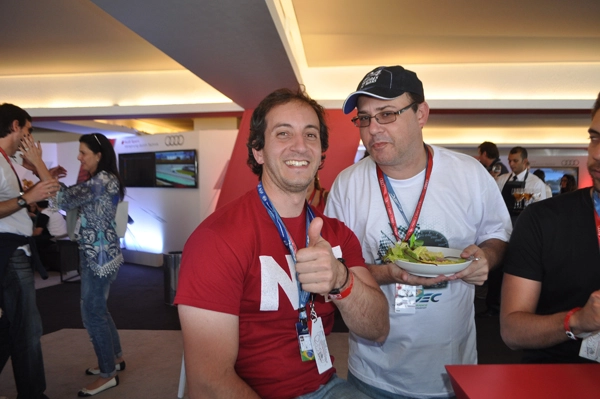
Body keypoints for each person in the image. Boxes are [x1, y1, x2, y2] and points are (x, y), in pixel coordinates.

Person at [175, 87, 389, 399]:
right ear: (258, 151)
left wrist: (341, 280)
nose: (300, 146)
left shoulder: (336, 234)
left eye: (311, 135)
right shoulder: (216, 239)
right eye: (284, 134)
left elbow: (378, 328)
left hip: (326, 387)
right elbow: (208, 383)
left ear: (321, 153)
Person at [325, 66, 512, 399]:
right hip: (372, 372)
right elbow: (335, 271)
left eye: (386, 114)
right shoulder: (348, 184)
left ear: (421, 114)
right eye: (364, 118)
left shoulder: (467, 174)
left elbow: (497, 236)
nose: (373, 130)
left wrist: (487, 257)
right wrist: (387, 272)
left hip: (452, 371)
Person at [500, 92, 600, 363]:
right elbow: (512, 331)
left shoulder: (536, 187)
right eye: (595, 138)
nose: (596, 154)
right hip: (556, 378)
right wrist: (577, 321)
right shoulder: (543, 220)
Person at [56, 133, 126, 397]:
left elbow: (63, 200)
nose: (79, 157)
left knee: (92, 313)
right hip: (99, 254)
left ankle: (108, 374)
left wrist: (38, 166)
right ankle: (115, 358)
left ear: (98, 155)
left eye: (83, 152)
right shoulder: (102, 180)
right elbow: (65, 198)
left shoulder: (102, 180)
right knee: (99, 309)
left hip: (98, 257)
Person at [0, 103, 60, 399]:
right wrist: (27, 197)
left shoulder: (7, 160)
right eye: (28, 130)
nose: (30, 136)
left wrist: (36, 170)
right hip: (8, 251)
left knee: (11, 326)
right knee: (27, 328)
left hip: (14, 250)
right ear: (15, 126)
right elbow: (41, 193)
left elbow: (48, 189)